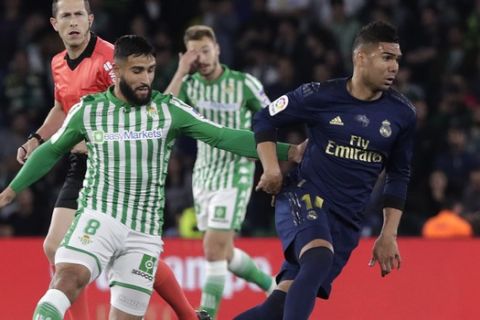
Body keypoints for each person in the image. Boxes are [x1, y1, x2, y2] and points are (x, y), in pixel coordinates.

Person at [0, 35, 302, 320]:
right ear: (116, 71)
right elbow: (50, 151)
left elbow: (224, 137)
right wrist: (11, 191)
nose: (145, 79)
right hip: (100, 215)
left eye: (151, 70)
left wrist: (290, 152)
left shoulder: (168, 110)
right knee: (69, 276)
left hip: (143, 234)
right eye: (137, 70)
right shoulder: (89, 112)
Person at [18, 1, 209, 319]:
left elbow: (140, 105)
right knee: (91, 249)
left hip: (110, 167)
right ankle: (189, 314)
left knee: (65, 247)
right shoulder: (57, 63)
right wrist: (36, 139)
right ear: (55, 23)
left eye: (79, 14)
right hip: (79, 164)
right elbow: (60, 108)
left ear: (90, 19)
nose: (74, 21)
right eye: (66, 15)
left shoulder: (108, 59)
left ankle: (186, 313)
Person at [235, 20, 416, 320]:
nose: (394, 67)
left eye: (397, 59)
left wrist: (389, 234)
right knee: (319, 255)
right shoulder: (319, 95)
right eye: (386, 57)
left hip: (345, 222)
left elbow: (399, 174)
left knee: (278, 307)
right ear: (360, 57)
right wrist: (271, 169)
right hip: (304, 195)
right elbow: (265, 118)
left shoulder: (402, 113)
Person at [165, 25, 275, 318]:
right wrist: (180, 72)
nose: (201, 57)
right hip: (204, 173)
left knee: (213, 248)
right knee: (222, 252)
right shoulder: (189, 86)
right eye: (194, 52)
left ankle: (207, 314)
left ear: (218, 49)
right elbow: (162, 116)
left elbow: (272, 117)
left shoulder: (244, 83)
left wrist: (270, 163)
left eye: (205, 49)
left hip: (236, 170)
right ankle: (274, 288)